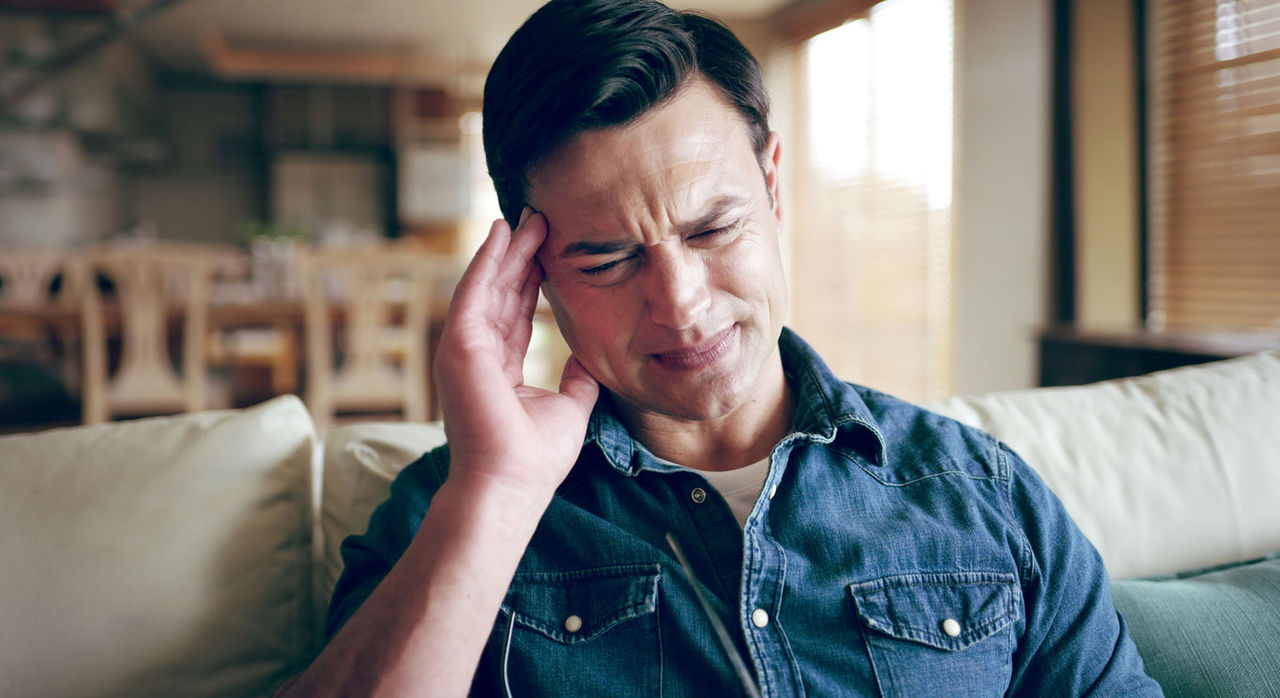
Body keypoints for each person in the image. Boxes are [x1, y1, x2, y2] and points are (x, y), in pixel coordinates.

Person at [281, 0, 1162, 695]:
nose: (681, 304)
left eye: (712, 227)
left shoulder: (984, 500)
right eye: (610, 257)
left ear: (773, 185)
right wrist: (497, 495)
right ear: (531, 272)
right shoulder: (451, 513)